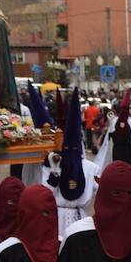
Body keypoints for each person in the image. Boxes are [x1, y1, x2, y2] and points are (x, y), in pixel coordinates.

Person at [40, 88, 99, 240]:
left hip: (81, 219)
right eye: (67, 147)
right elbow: (44, 193)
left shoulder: (91, 168)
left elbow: (101, 193)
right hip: (56, 219)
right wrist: (54, 172)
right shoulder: (52, 165)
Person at [97, 91, 131, 188]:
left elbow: (110, 139)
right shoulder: (130, 121)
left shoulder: (117, 121)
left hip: (119, 151)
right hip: (127, 152)